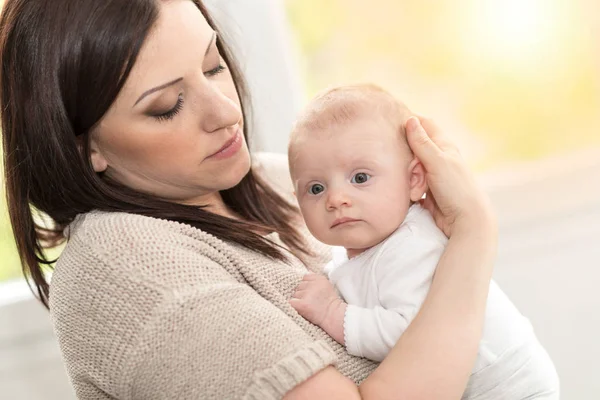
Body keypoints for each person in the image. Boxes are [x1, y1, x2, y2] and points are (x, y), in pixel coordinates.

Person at [0, 0, 497, 398]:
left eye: (213, 66)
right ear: (85, 149)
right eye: (167, 106)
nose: (224, 111)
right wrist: (473, 234)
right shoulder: (123, 263)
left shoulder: (284, 184)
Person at [288, 84, 560, 399]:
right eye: (316, 188)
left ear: (414, 179)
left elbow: (410, 336)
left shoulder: (411, 245)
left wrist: (332, 312)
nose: (336, 199)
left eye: (360, 178)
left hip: (509, 386)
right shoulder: (349, 251)